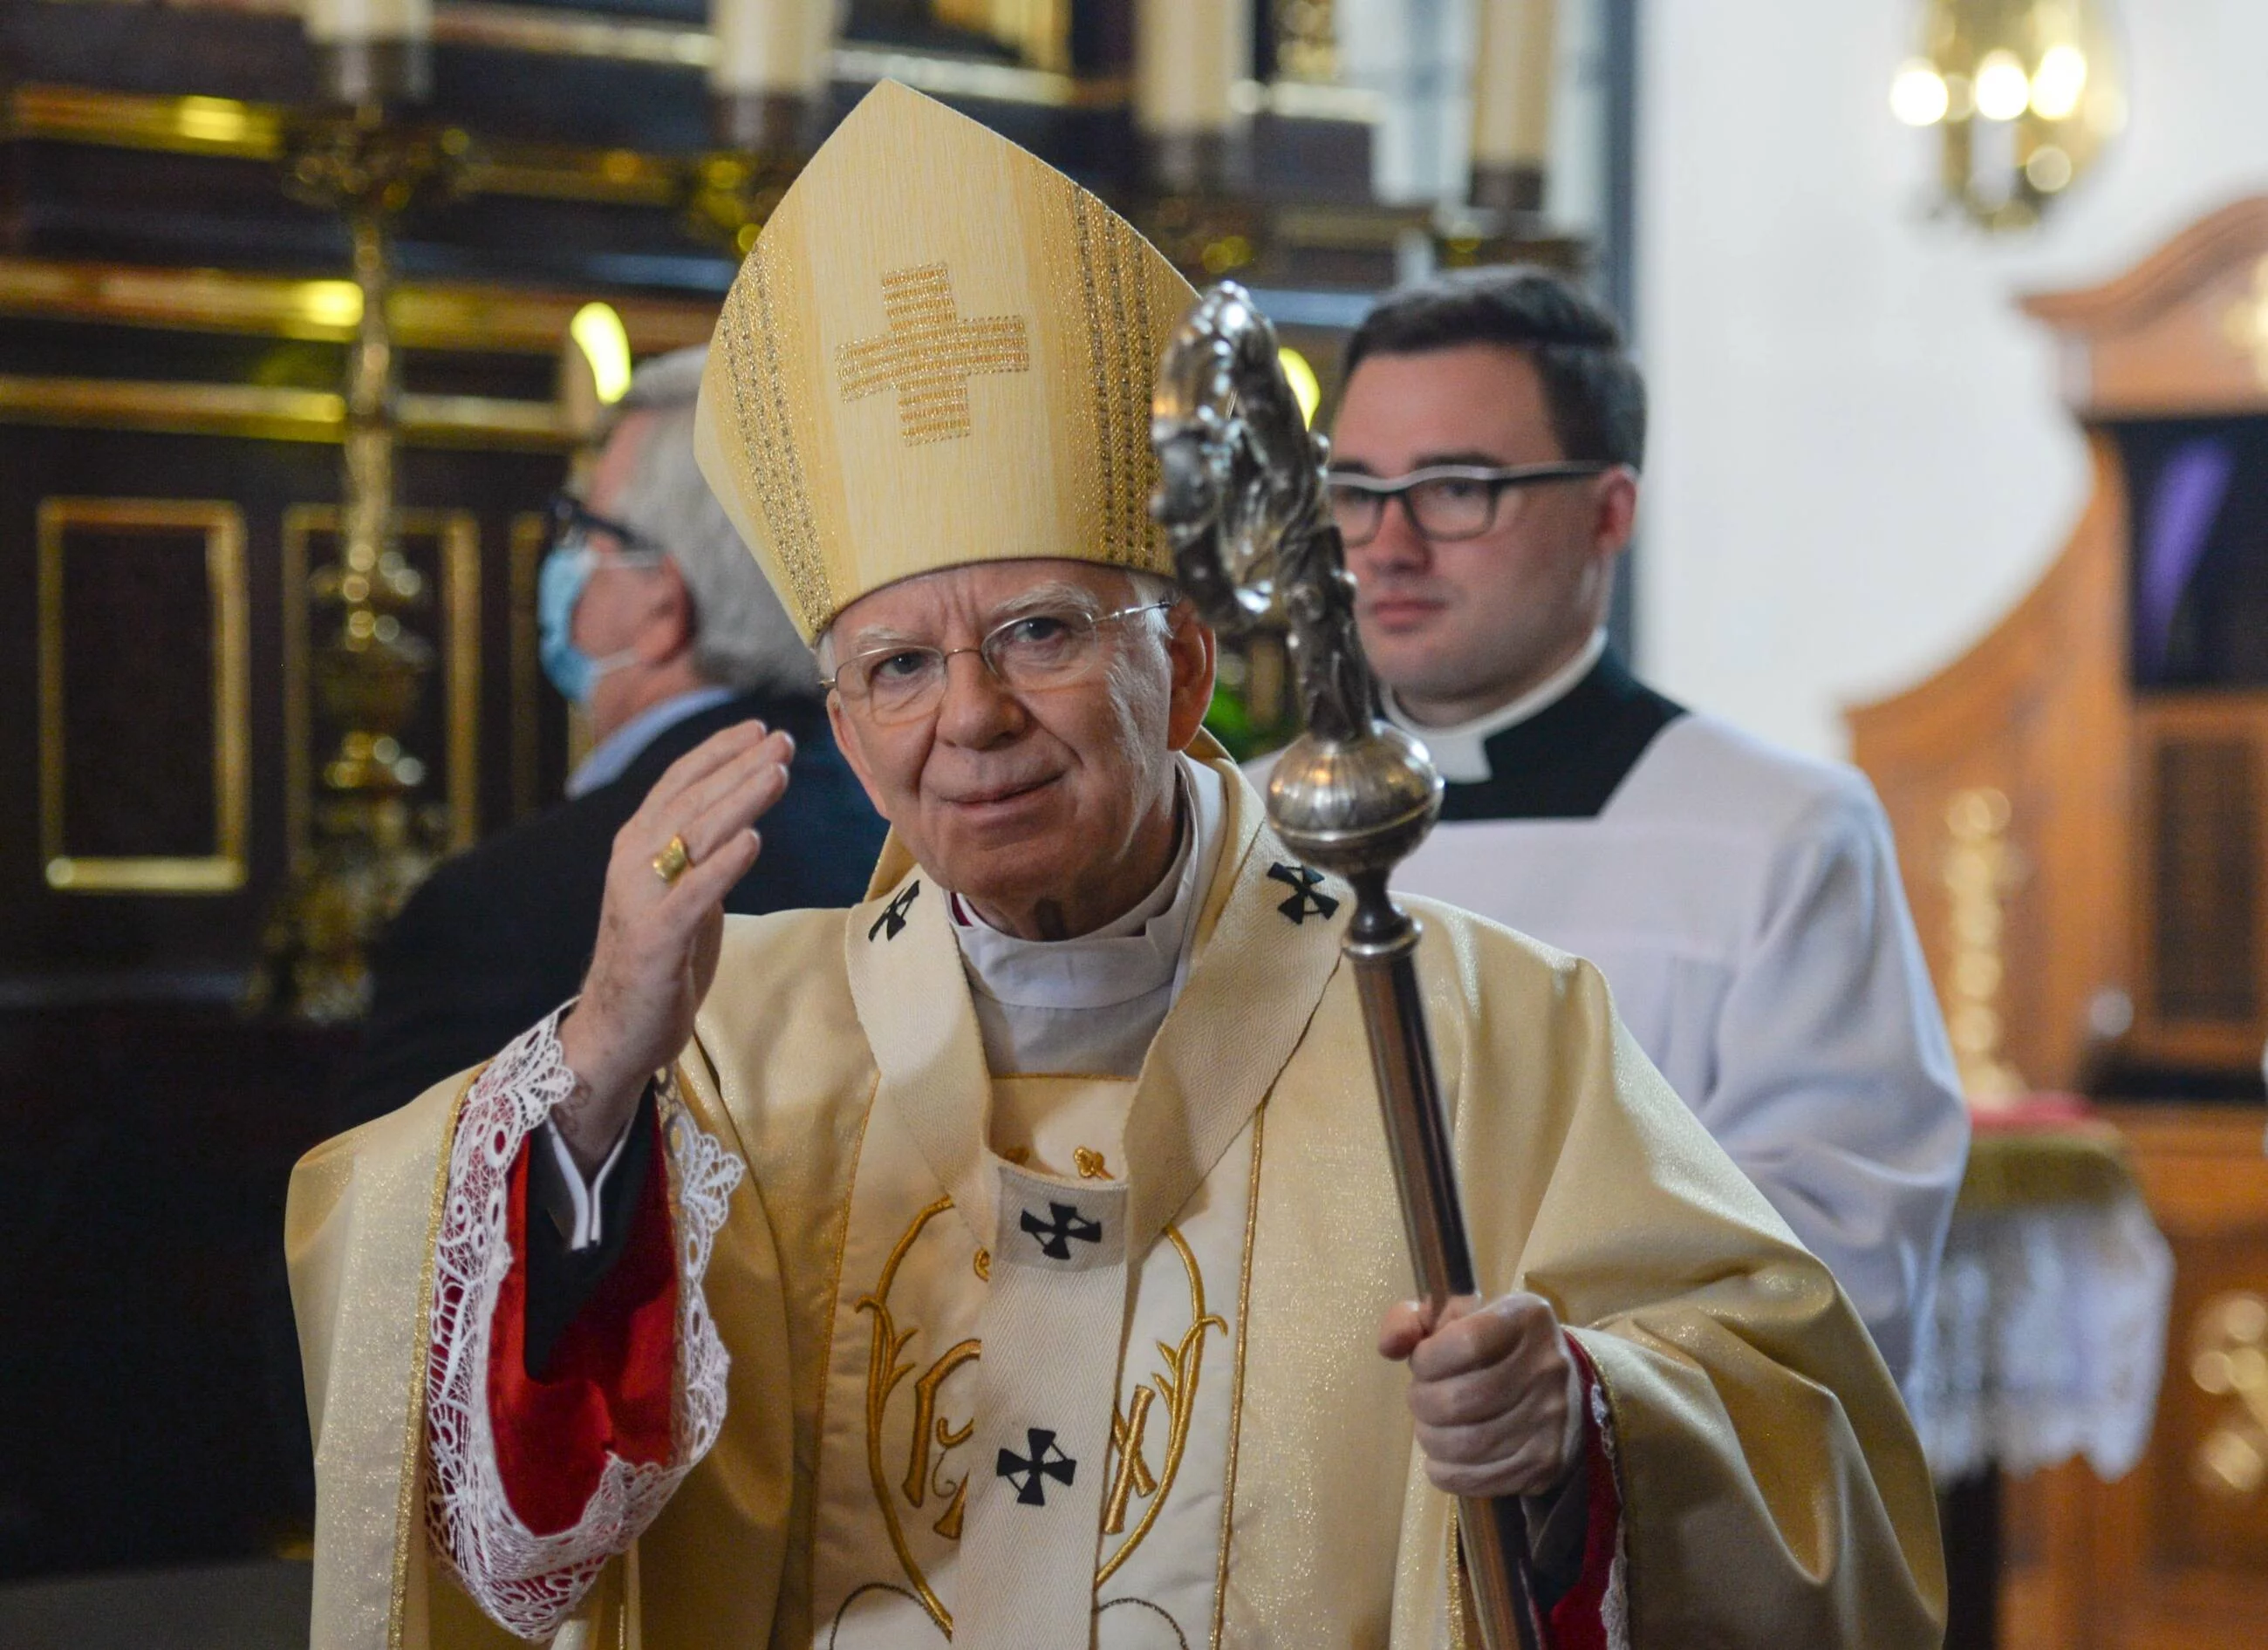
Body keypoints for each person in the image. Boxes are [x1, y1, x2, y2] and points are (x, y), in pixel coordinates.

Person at [287, 84, 1943, 1649]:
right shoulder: (736, 1047)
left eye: (1041, 632)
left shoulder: (1474, 1023)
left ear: (1189, 667)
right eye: (898, 668)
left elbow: (1807, 1440)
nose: (976, 718)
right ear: (845, 732)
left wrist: (1578, 1418)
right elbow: (508, 1509)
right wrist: (589, 1073)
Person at [1315, 266, 1968, 1386]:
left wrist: (1563, 1391)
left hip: (1603, 1500)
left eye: (1456, 487)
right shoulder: (1256, 827)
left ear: (1608, 511)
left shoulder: (1778, 833)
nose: (1388, 545)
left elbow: (1826, 1271)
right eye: (1357, 489)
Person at [334, 347, 887, 1123]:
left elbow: (386, 1231)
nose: (561, 561)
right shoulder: (910, 840)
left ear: (662, 607)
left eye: (582, 527)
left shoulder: (493, 912)